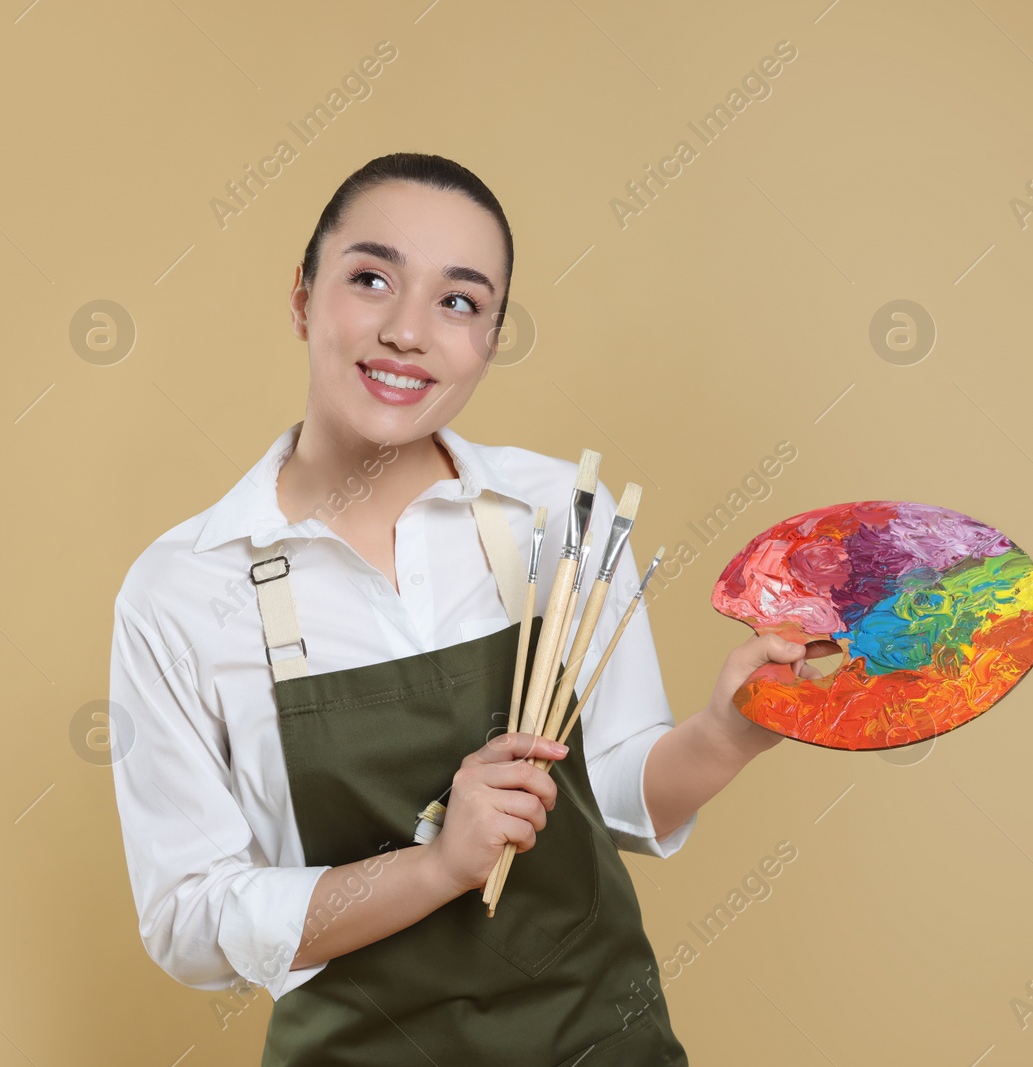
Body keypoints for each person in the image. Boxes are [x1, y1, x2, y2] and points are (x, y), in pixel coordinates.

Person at [108, 152, 818, 1065]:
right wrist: (437, 865)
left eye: (458, 302)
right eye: (371, 279)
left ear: (489, 336)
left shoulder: (561, 513)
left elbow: (620, 797)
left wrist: (730, 730)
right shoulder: (182, 589)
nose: (408, 331)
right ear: (301, 297)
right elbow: (189, 920)